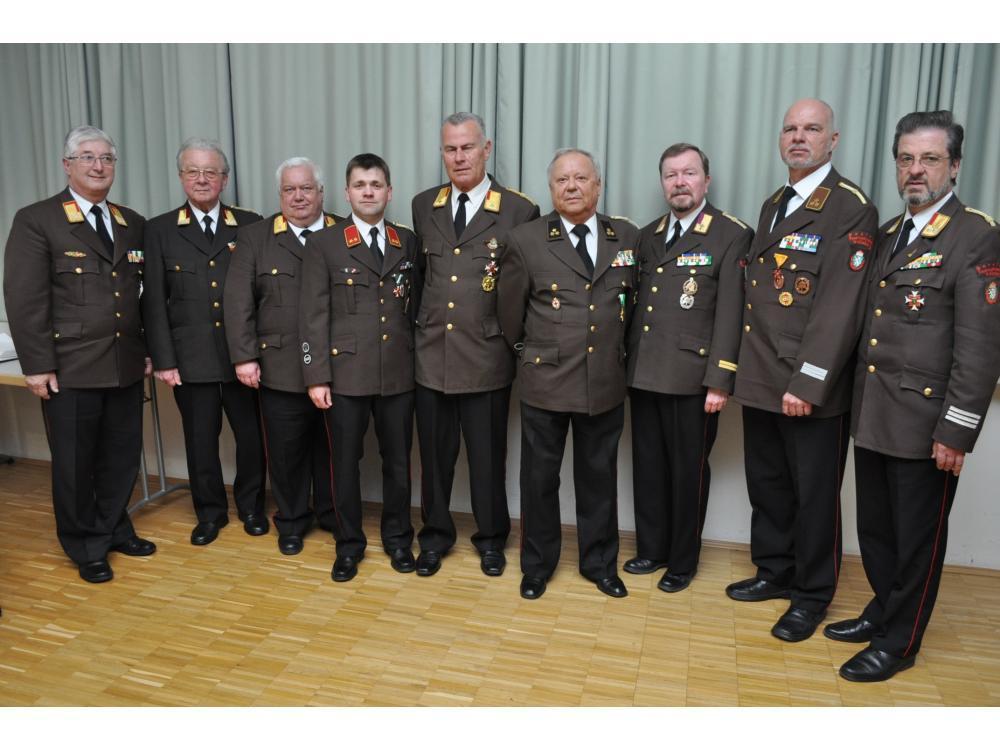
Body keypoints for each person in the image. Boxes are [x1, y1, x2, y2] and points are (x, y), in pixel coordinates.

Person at [827, 110, 1000, 681]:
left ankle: (900, 642)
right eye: (906, 159)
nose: (915, 170)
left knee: (917, 539)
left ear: (955, 165)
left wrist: (956, 430)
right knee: (876, 529)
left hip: (927, 422)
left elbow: (980, 347)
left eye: (929, 159)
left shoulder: (975, 235)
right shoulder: (888, 234)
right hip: (876, 411)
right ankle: (884, 609)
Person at [729, 98, 879, 641]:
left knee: (814, 497)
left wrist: (808, 382)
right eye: (790, 128)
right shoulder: (775, 204)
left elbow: (841, 306)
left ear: (832, 141)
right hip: (762, 374)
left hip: (808, 383)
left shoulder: (849, 207)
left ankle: (812, 595)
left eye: (811, 129)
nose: (799, 137)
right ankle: (775, 570)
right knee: (768, 484)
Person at [3, 125, 155, 583]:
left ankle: (113, 528)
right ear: (67, 165)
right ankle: (85, 545)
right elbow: (25, 299)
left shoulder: (131, 222)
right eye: (87, 157)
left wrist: (147, 350)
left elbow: (142, 295)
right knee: (74, 462)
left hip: (124, 362)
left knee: (121, 456)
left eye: (106, 158)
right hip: (70, 367)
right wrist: (37, 366)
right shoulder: (38, 220)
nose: (98, 166)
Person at [497, 147, 638, 600]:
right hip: (546, 381)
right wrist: (531, 355)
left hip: (604, 380)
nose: (571, 186)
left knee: (599, 480)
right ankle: (537, 566)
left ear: (598, 185)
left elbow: (633, 308)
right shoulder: (526, 239)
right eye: (562, 180)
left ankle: (600, 565)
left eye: (580, 178)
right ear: (551, 188)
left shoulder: (626, 236)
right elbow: (509, 314)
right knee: (539, 480)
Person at [410, 112, 539, 578]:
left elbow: (523, 290)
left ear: (486, 150)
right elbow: (421, 279)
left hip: (486, 356)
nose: (459, 157)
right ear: (442, 153)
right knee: (434, 460)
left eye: (468, 147)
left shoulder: (519, 210)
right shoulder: (424, 204)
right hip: (432, 354)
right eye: (451, 149)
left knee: (487, 460)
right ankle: (435, 537)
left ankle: (491, 539)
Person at [625, 143, 752, 593]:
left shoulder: (731, 234)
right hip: (645, 373)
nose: (680, 182)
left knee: (687, 473)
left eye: (689, 173)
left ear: (706, 180)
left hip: (693, 379)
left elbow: (732, 312)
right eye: (671, 175)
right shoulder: (648, 236)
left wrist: (720, 379)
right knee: (648, 468)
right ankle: (651, 549)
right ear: (662, 183)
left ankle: (682, 561)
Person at [300, 153, 421, 582]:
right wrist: (316, 375)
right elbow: (312, 316)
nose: (368, 192)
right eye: (360, 185)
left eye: (376, 184)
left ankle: (398, 539)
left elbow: (414, 306)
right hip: (345, 375)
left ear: (389, 191)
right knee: (344, 465)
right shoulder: (325, 244)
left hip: (398, 374)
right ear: (347, 192)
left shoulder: (406, 241)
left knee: (398, 463)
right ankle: (348, 545)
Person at [142, 137, 267, 546]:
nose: (202, 179)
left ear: (224, 179)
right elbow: (153, 301)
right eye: (193, 171)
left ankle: (251, 507)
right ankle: (209, 513)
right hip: (190, 359)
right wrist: (163, 359)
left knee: (252, 439)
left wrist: (258, 352)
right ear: (181, 177)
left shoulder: (250, 224)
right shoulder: (159, 230)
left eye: (210, 172)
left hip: (242, 357)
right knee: (200, 442)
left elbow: (263, 295)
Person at [224, 157, 344, 554]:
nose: (298, 197)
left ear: (321, 192)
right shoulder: (256, 237)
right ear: (279, 195)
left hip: (336, 366)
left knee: (333, 450)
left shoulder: (344, 232)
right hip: (280, 366)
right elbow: (238, 301)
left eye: (306, 188)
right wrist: (243, 357)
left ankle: (332, 513)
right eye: (289, 189)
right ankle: (291, 521)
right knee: (286, 451)